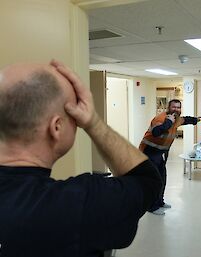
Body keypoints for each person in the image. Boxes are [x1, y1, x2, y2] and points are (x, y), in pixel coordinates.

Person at [0, 60, 162, 257]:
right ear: (56, 127)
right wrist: (92, 121)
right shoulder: (74, 206)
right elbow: (147, 181)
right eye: (73, 119)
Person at [139, 99, 201, 215]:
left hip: (161, 152)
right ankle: (152, 207)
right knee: (154, 180)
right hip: (150, 152)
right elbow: (156, 132)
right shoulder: (161, 118)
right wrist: (168, 122)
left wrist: (195, 120)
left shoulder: (176, 119)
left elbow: (185, 120)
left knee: (162, 178)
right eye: (174, 107)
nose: (176, 109)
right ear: (168, 107)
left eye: (178, 107)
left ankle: (159, 202)